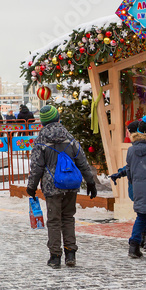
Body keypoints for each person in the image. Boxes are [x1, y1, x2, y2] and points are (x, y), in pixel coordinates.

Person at [26, 105, 97, 268]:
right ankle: (70, 253)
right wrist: (90, 181)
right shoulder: (69, 137)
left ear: (43, 123)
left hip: (52, 186)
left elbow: (37, 166)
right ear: (58, 119)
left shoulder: (41, 140)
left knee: (54, 220)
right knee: (68, 218)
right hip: (71, 184)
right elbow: (82, 161)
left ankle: (55, 256)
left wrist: (32, 186)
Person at [125, 118, 146, 259]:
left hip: (138, 189)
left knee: (141, 218)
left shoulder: (131, 150)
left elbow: (129, 172)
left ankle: (133, 247)